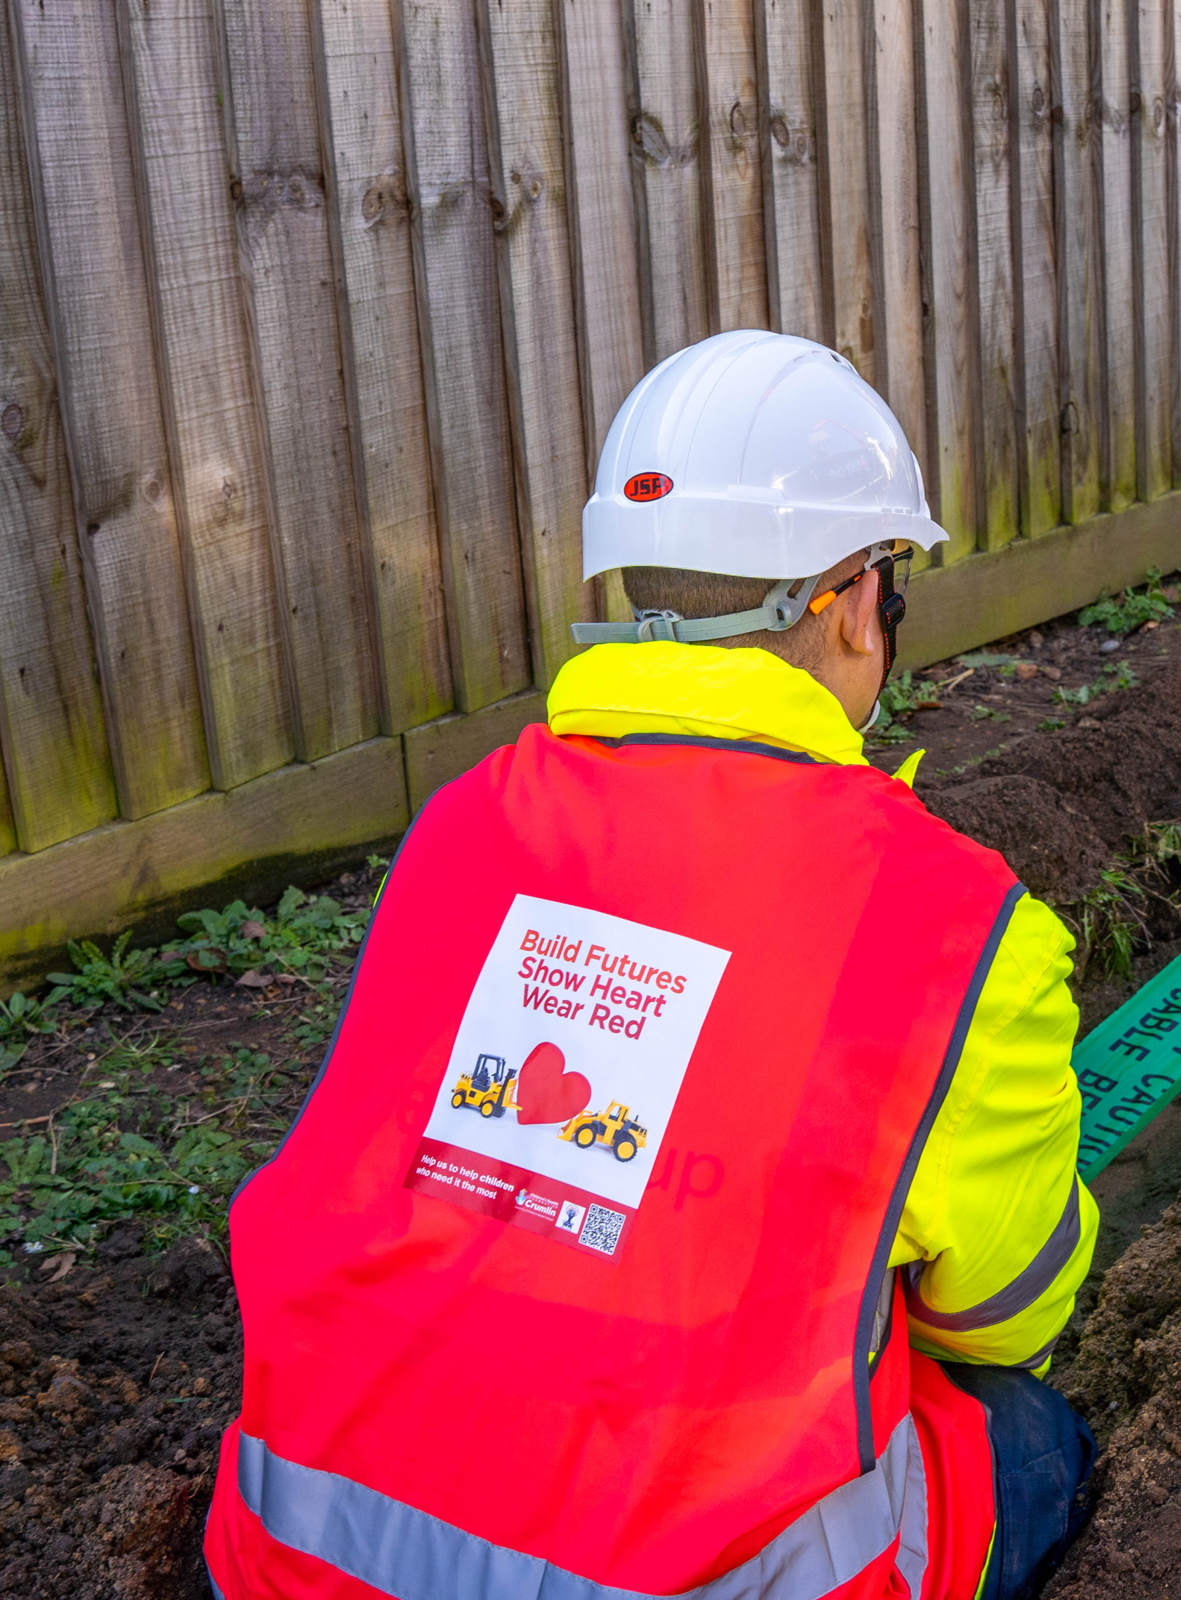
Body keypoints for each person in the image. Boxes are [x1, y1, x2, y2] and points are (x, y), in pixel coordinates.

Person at [204, 332, 1098, 1600]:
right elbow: (1004, 1309)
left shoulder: (468, 820)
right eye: (892, 591)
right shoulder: (952, 922)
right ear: (853, 604)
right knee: (1028, 1427)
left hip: (302, 1552)